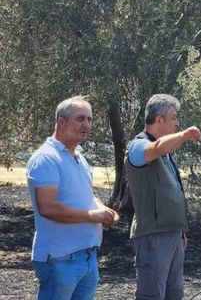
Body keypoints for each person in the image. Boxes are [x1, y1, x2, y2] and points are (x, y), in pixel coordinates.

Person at [26, 95, 120, 299]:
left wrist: (103, 210)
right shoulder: (46, 158)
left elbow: (86, 195)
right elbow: (48, 207)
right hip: (59, 258)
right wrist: (92, 215)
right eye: (80, 118)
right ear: (61, 122)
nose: (86, 124)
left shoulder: (79, 157)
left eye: (89, 119)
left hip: (86, 256)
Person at [125, 94, 201, 300]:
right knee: (152, 295)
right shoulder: (137, 146)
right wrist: (185, 135)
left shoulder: (167, 153)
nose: (177, 123)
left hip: (173, 235)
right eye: (174, 117)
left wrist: (179, 232)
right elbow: (155, 149)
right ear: (159, 119)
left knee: (174, 294)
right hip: (152, 236)